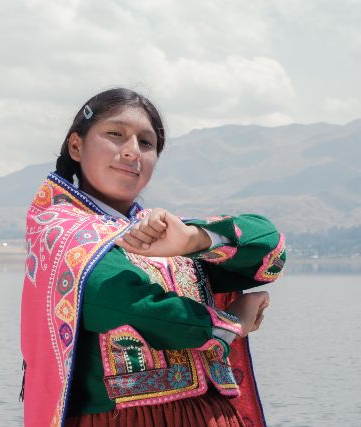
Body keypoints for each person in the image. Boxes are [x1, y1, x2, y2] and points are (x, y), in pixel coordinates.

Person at [20, 88, 286, 427]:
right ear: (76, 145)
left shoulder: (159, 236)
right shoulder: (63, 234)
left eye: (146, 143)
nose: (132, 152)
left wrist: (194, 240)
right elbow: (126, 304)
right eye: (115, 135)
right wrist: (231, 325)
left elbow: (270, 247)